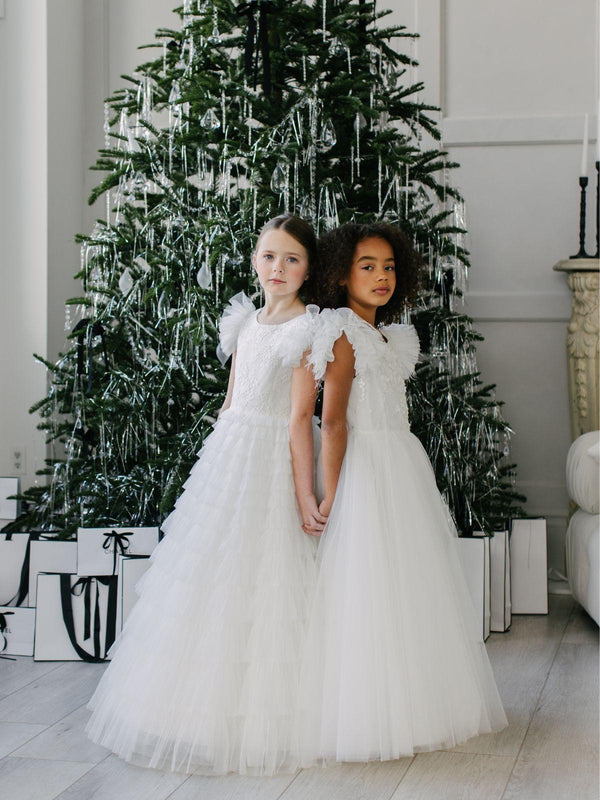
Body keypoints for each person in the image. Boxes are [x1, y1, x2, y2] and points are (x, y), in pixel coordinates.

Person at [85, 214, 327, 776]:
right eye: (269, 256)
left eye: (292, 259)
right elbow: (230, 398)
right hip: (232, 452)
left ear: (309, 268)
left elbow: (298, 421)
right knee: (210, 568)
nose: (278, 268)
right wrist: (217, 458)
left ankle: (271, 715)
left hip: (274, 459)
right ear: (254, 261)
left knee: (268, 574)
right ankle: (187, 710)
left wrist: (302, 495)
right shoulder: (246, 320)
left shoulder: (306, 330)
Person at [297, 221, 508, 766]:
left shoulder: (390, 335)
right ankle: (366, 711)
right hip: (365, 468)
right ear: (342, 274)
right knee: (365, 587)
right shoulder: (342, 332)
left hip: (399, 463)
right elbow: (334, 420)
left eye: (389, 267)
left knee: (404, 584)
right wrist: (334, 491)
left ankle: (411, 704)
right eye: (367, 266)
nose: (381, 276)